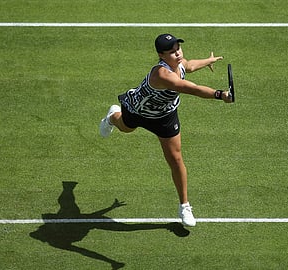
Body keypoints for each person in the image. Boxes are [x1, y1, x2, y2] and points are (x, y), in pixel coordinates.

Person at [99, 34, 233, 227]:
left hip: (164, 116)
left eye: (178, 48)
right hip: (139, 111)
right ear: (161, 55)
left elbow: (190, 66)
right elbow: (191, 89)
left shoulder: (178, 63)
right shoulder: (162, 74)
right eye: (172, 51)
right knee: (126, 128)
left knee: (176, 158)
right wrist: (220, 94)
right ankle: (112, 116)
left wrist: (208, 61)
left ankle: (184, 206)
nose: (178, 53)